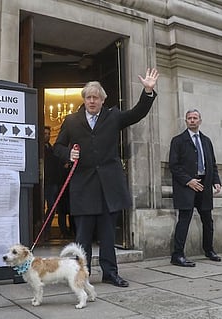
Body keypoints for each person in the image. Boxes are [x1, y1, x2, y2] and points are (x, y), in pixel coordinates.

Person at [54, 68, 159, 287]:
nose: (92, 101)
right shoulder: (71, 120)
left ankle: (110, 272)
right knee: (82, 235)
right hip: (83, 185)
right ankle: (81, 275)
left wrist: (147, 91)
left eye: (96, 97)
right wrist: (68, 154)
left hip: (109, 186)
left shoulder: (113, 116)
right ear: (84, 99)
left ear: (103, 100)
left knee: (108, 234)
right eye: (88, 97)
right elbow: (58, 146)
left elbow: (137, 113)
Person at [169, 109, 222, 267]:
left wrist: (216, 180)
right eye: (189, 118)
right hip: (186, 185)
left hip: (204, 184)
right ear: (186, 121)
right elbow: (174, 165)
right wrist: (188, 181)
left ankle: (209, 249)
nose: (192, 120)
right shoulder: (178, 140)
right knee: (184, 220)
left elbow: (212, 163)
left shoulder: (206, 141)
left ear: (200, 120)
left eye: (195, 118)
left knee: (208, 219)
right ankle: (177, 255)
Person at [43, 126, 61, 241]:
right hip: (42, 183)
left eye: (48, 134)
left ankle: (46, 229)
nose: (47, 136)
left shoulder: (51, 148)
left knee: (52, 206)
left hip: (52, 182)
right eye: (45, 133)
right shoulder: (38, 148)